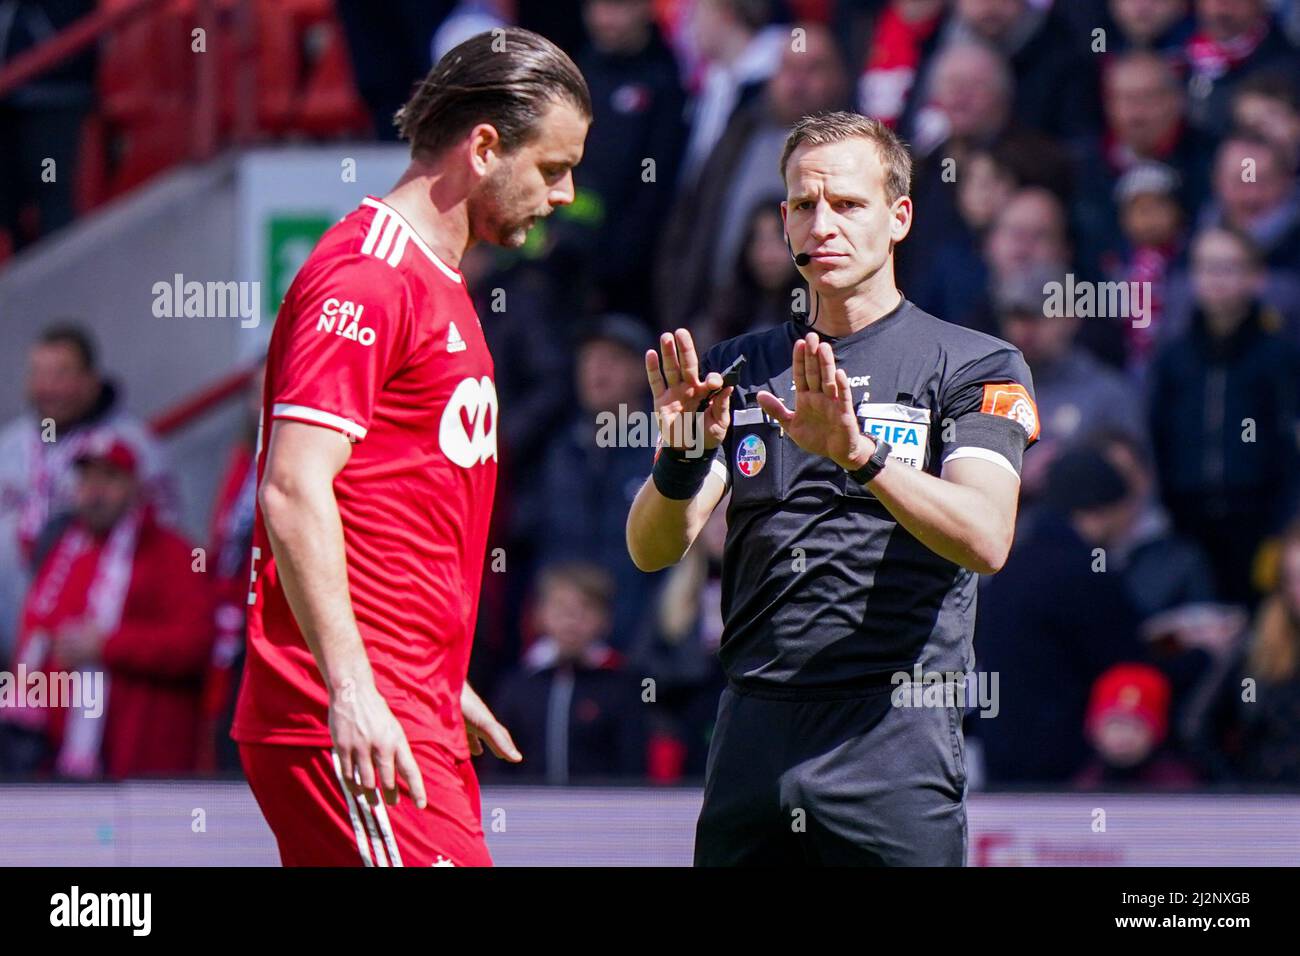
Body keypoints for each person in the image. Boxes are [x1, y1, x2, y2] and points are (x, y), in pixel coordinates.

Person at [627, 112, 1040, 866]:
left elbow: (986, 538)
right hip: (752, 734)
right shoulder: (736, 368)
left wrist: (861, 455)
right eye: (804, 206)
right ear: (783, 221)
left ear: (899, 216)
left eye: (849, 205)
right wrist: (683, 452)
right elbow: (654, 548)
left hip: (893, 742)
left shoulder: (977, 363)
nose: (824, 224)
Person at [232, 28, 592, 867]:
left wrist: (437, 675)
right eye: (551, 168)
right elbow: (291, 489)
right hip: (352, 714)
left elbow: (393, 502)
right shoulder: (368, 276)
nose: (567, 194)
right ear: (485, 146)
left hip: (406, 701)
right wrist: (356, 686)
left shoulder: (437, 280)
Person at [0, 432, 212, 779]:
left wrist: (109, 646)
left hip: (146, 762)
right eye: (86, 478)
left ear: (136, 486)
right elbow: (35, 633)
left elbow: (196, 645)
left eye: (109, 478)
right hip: (63, 760)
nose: (95, 491)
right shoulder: (63, 552)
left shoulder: (176, 555)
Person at [0, 325, 174, 664]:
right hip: (13, 644)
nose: (48, 387)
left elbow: (161, 541)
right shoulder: (11, 445)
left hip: (93, 652)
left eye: (61, 373)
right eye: (39, 373)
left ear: (91, 379)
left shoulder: (133, 447)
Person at [488, 562, 646, 782]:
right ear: (540, 614)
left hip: (602, 811)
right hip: (526, 809)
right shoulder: (517, 686)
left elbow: (632, 766)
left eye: (586, 609)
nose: (572, 620)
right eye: (561, 608)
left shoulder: (621, 687)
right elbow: (496, 765)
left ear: (605, 619)